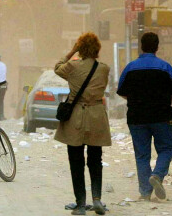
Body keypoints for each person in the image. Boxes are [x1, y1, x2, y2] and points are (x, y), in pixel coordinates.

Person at [117, 32, 172, 200]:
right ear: (157, 47)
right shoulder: (165, 67)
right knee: (166, 149)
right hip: (161, 116)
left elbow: (122, 92)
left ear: (141, 46)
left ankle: (145, 192)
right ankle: (158, 175)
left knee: (142, 155)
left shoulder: (130, 68)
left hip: (137, 118)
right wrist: (165, 100)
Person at [54, 33, 110, 215]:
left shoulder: (72, 66)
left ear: (80, 48)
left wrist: (72, 52)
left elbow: (57, 68)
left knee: (76, 161)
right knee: (95, 160)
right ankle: (97, 199)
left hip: (76, 116)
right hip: (96, 116)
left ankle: (80, 204)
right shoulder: (104, 69)